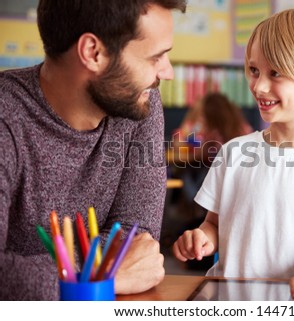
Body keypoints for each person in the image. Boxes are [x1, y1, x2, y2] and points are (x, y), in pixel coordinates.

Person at [173, 7, 294, 301]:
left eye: (275, 73)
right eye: (254, 70)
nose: (259, 86)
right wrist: (202, 238)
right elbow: (213, 224)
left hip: (290, 305)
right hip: (228, 303)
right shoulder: (233, 153)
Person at [0, 0, 187, 300]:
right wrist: (107, 272)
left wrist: (36, 273)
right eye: (156, 57)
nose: (167, 73)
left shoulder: (140, 103)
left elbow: (137, 243)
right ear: (93, 53)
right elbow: (124, 261)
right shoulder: (6, 116)